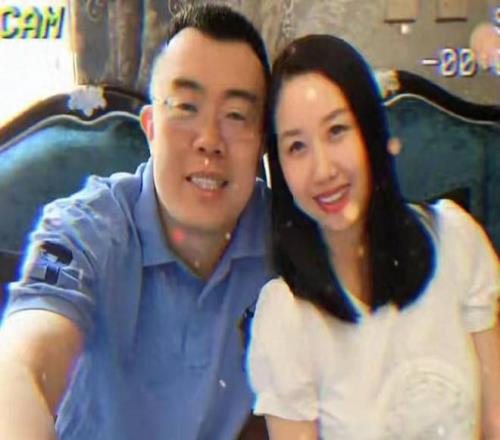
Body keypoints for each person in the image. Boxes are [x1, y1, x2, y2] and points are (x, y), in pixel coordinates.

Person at [0, 4, 273, 439]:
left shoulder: (286, 237)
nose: (209, 141)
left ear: (261, 142)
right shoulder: (84, 229)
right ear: (150, 127)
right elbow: (19, 367)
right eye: (186, 107)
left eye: (236, 116)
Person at [247, 34, 500, 439]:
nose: (323, 170)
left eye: (336, 131)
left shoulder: (455, 241)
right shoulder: (286, 317)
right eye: (296, 147)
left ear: (371, 132)